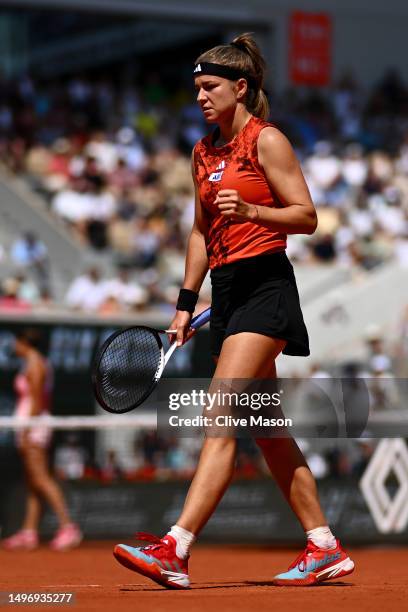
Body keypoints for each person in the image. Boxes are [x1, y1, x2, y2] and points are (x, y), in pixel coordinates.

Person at [113, 34, 355, 588]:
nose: (200, 97)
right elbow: (201, 230)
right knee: (268, 430)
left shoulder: (266, 141)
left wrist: (251, 208)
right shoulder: (203, 151)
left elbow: (307, 216)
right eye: (196, 88)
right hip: (225, 292)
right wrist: (183, 302)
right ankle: (324, 546)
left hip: (266, 289)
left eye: (210, 87)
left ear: (240, 88)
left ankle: (176, 548)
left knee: (218, 418)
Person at [2, 329, 82, 551]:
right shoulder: (32, 362)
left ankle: (68, 526)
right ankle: (29, 531)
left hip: (33, 426)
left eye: (16, 342)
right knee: (32, 482)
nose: (13, 347)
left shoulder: (36, 363)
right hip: (28, 425)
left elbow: (36, 400)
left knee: (41, 478)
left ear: (23, 342)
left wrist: (27, 430)